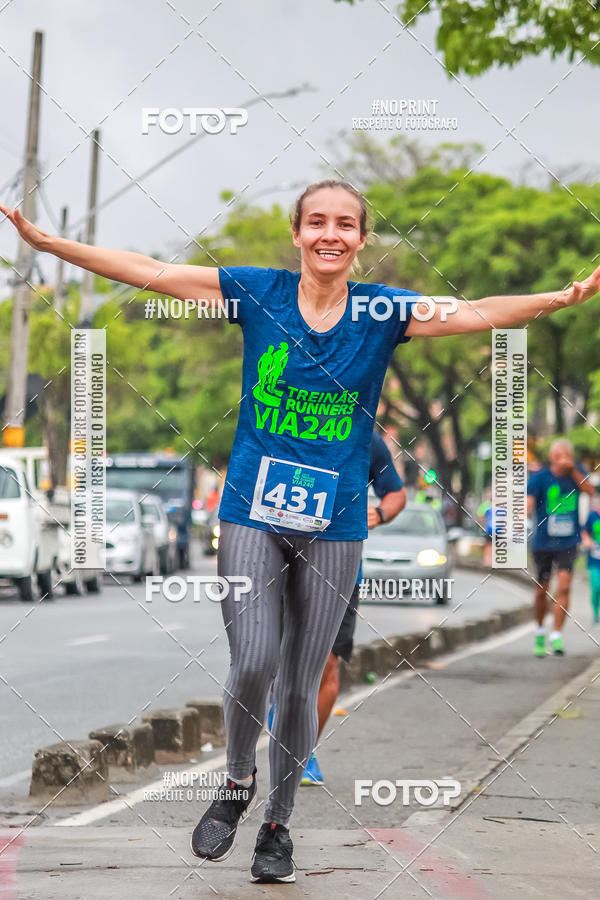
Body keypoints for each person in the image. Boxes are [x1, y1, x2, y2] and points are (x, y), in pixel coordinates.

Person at [2, 181, 599, 885]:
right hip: (252, 509)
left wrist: (558, 299)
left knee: (302, 682)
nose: (331, 235)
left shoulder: (383, 311)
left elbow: (475, 313)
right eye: (317, 221)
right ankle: (234, 782)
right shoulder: (259, 293)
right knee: (252, 660)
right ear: (297, 232)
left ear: (361, 240)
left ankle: (278, 826)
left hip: (337, 522)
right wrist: (48, 245)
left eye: (346, 225)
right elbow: (151, 271)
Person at [294, 428, 406, 786]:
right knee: (277, 658)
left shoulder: (366, 439)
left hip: (343, 569)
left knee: (327, 663)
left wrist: (380, 513)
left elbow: (396, 494)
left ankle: (303, 752)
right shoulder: (288, 426)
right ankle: (278, 707)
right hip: (284, 561)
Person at [527, 440, 595, 657]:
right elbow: (527, 505)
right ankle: (539, 630)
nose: (565, 457)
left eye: (568, 453)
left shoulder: (576, 474)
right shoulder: (540, 478)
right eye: (561, 454)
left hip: (568, 542)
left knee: (564, 586)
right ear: (553, 456)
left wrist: (574, 469)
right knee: (542, 589)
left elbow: (590, 491)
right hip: (543, 543)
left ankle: (556, 634)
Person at [581, 493, 600, 624]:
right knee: (596, 586)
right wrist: (587, 539)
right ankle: (595, 613)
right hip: (594, 559)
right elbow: (584, 530)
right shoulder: (593, 516)